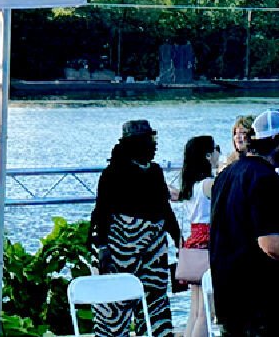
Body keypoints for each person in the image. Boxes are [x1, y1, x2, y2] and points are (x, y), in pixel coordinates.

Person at [210, 110, 279, 336]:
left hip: (228, 295)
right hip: (259, 299)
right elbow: (271, 243)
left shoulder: (226, 174)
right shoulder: (267, 179)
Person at [90, 120, 182, 337]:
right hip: (124, 248)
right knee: (117, 309)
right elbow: (101, 213)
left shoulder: (153, 172)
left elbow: (165, 210)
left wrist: (178, 239)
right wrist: (103, 246)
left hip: (149, 250)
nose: (154, 145)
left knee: (153, 307)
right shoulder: (114, 173)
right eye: (150, 140)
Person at [178, 135, 220, 337]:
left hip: (193, 243)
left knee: (194, 309)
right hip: (208, 243)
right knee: (206, 310)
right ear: (207, 155)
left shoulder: (190, 186)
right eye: (215, 149)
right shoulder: (209, 184)